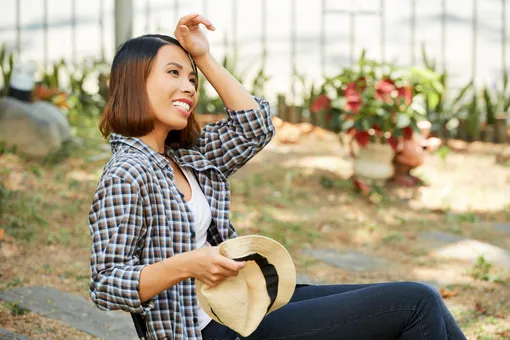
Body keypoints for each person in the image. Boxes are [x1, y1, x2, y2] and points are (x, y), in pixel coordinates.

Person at [88, 13, 467, 340]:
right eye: (174, 73)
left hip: (247, 303)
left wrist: (203, 56)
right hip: (210, 331)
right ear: (136, 82)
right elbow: (106, 284)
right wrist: (189, 264)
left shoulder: (188, 157)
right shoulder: (127, 172)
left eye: (192, 78)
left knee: (424, 303)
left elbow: (254, 126)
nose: (189, 86)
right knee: (415, 302)